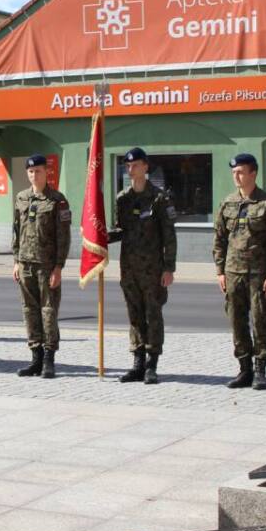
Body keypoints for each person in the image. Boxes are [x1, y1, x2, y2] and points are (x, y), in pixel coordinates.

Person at [213, 152, 266, 391]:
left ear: (253, 173)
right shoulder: (228, 203)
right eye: (234, 172)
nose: (237, 176)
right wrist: (219, 271)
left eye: (241, 172)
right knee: (236, 320)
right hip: (233, 272)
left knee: (260, 319)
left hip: (258, 273)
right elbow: (220, 239)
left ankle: (260, 370)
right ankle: (244, 368)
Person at [107, 148, 176, 384]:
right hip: (129, 268)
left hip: (153, 269)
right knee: (134, 314)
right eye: (127, 166)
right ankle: (137, 362)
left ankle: (152, 365)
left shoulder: (159, 198)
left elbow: (169, 236)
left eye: (135, 165)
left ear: (145, 167)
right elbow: (120, 231)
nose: (130, 169)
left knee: (153, 315)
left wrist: (169, 268)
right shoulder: (123, 199)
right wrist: (99, 238)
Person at [12, 154, 71, 379]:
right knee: (29, 311)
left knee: (48, 312)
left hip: (47, 266)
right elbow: (16, 230)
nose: (34, 175)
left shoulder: (57, 200)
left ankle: (49, 359)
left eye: (38, 171)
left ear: (46, 172)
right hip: (25, 263)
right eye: (30, 172)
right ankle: (35, 357)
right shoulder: (21, 198)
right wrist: (16, 261)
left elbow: (63, 237)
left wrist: (58, 267)